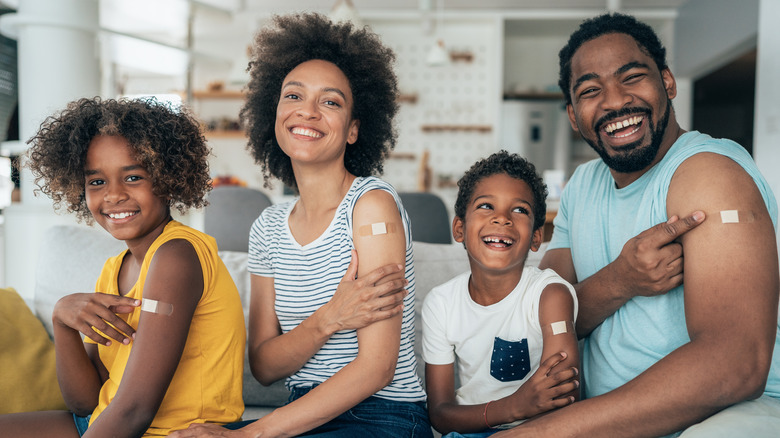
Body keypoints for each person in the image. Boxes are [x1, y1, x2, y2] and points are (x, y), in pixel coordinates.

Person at [493, 12, 780, 437]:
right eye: (591, 90)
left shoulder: (707, 172)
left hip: (725, 414)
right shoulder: (583, 186)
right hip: (608, 418)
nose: (614, 101)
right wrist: (622, 279)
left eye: (631, 77)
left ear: (667, 82)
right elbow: (546, 324)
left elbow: (736, 364)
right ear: (574, 116)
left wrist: (542, 433)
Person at [171, 13, 431, 438]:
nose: (307, 112)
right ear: (274, 113)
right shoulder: (267, 228)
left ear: (353, 130)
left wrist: (246, 436)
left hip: (381, 416)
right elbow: (266, 365)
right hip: (299, 417)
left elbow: (378, 368)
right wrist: (329, 318)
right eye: (293, 96)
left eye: (330, 102)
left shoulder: (371, 206)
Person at [0, 97, 246, 437]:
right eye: (97, 182)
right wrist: (62, 321)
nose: (113, 195)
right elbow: (87, 402)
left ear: (168, 178)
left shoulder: (177, 256)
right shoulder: (114, 267)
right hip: (104, 421)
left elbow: (135, 411)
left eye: (133, 177)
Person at [422, 151, 580, 438]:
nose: (502, 218)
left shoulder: (550, 296)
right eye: (486, 205)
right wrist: (514, 407)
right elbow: (441, 414)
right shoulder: (441, 303)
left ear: (536, 237)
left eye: (519, 210)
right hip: (470, 430)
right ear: (460, 229)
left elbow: (562, 397)